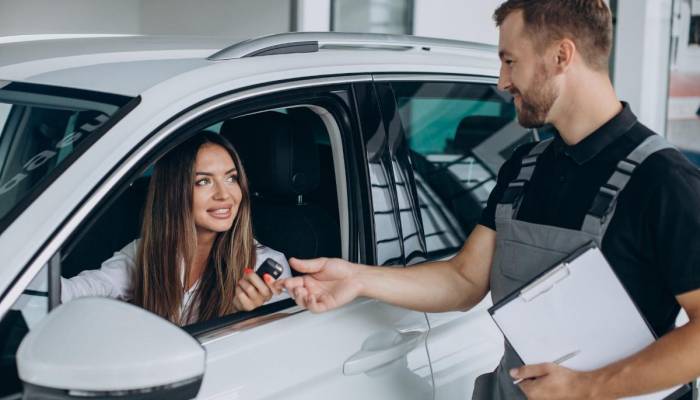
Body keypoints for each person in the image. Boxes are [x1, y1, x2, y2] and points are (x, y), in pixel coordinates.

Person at [275, 1, 700, 399]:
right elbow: (463, 281)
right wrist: (359, 277)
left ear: (561, 56)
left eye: (510, 60)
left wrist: (586, 388)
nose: (502, 81)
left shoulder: (662, 181)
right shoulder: (526, 167)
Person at [62, 131, 291, 325]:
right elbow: (85, 289)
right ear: (174, 192)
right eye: (204, 181)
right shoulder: (145, 252)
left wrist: (246, 317)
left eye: (231, 178)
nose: (225, 195)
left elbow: (276, 355)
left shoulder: (265, 265)